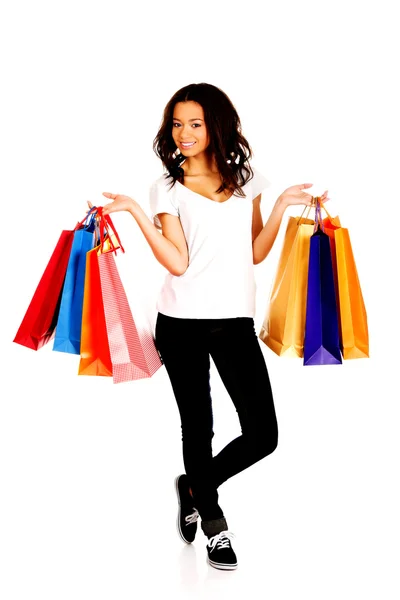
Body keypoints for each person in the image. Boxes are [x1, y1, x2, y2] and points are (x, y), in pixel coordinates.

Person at [97, 83, 328, 571]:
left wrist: (283, 204)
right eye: (177, 124)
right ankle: (215, 526)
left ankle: (195, 487)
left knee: (263, 434)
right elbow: (178, 264)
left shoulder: (246, 180)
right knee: (198, 428)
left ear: (217, 125)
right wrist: (140, 216)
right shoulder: (166, 187)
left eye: (195, 123)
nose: (184, 133)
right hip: (180, 324)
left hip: (233, 323)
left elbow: (256, 252)